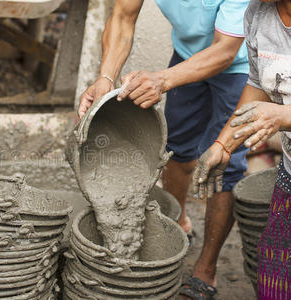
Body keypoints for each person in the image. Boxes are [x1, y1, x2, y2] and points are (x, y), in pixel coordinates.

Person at [78, 0, 250, 298]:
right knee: (176, 147)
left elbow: (225, 50)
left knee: (225, 164)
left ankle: (206, 269)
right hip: (187, 54)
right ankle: (179, 221)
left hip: (239, 64)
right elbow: (122, 15)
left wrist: (162, 80)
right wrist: (106, 78)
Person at [194, 0, 291, 299]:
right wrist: (224, 144)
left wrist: (282, 116)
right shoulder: (257, 14)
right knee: (276, 280)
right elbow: (258, 84)